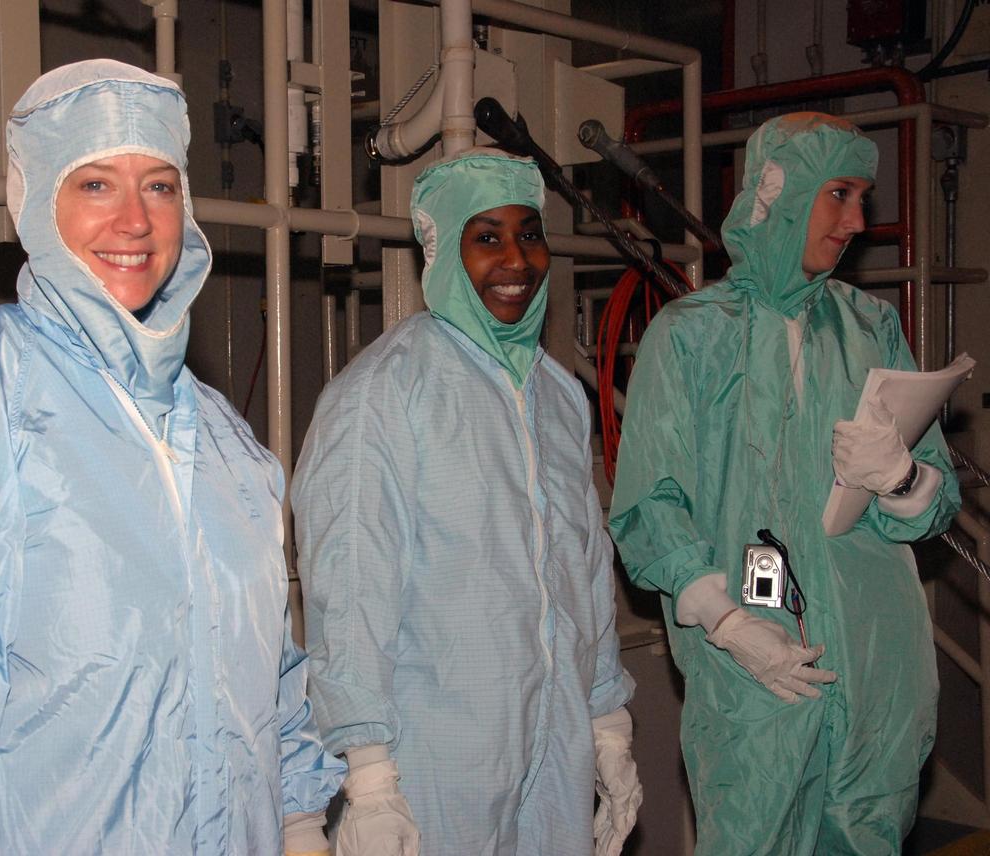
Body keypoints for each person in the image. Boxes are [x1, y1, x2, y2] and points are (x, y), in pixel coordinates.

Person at [0, 60, 344, 855]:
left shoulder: (225, 442)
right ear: (36, 201)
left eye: (159, 186)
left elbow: (269, 676)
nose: (134, 220)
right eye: (96, 184)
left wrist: (301, 824)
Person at [610, 113, 960, 854]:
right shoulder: (691, 335)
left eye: (862, 198)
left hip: (874, 668)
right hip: (756, 675)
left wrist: (901, 477)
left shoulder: (871, 327)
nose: (856, 221)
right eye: (839, 195)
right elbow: (649, 507)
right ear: (783, 192)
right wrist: (726, 624)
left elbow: (939, 503)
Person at [292, 148, 641, 856]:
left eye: (530, 234)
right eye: (487, 237)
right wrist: (369, 777)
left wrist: (606, 720)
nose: (517, 259)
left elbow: (582, 567)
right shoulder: (384, 394)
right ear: (442, 251)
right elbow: (352, 591)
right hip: (436, 762)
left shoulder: (556, 393)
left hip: (556, 745)